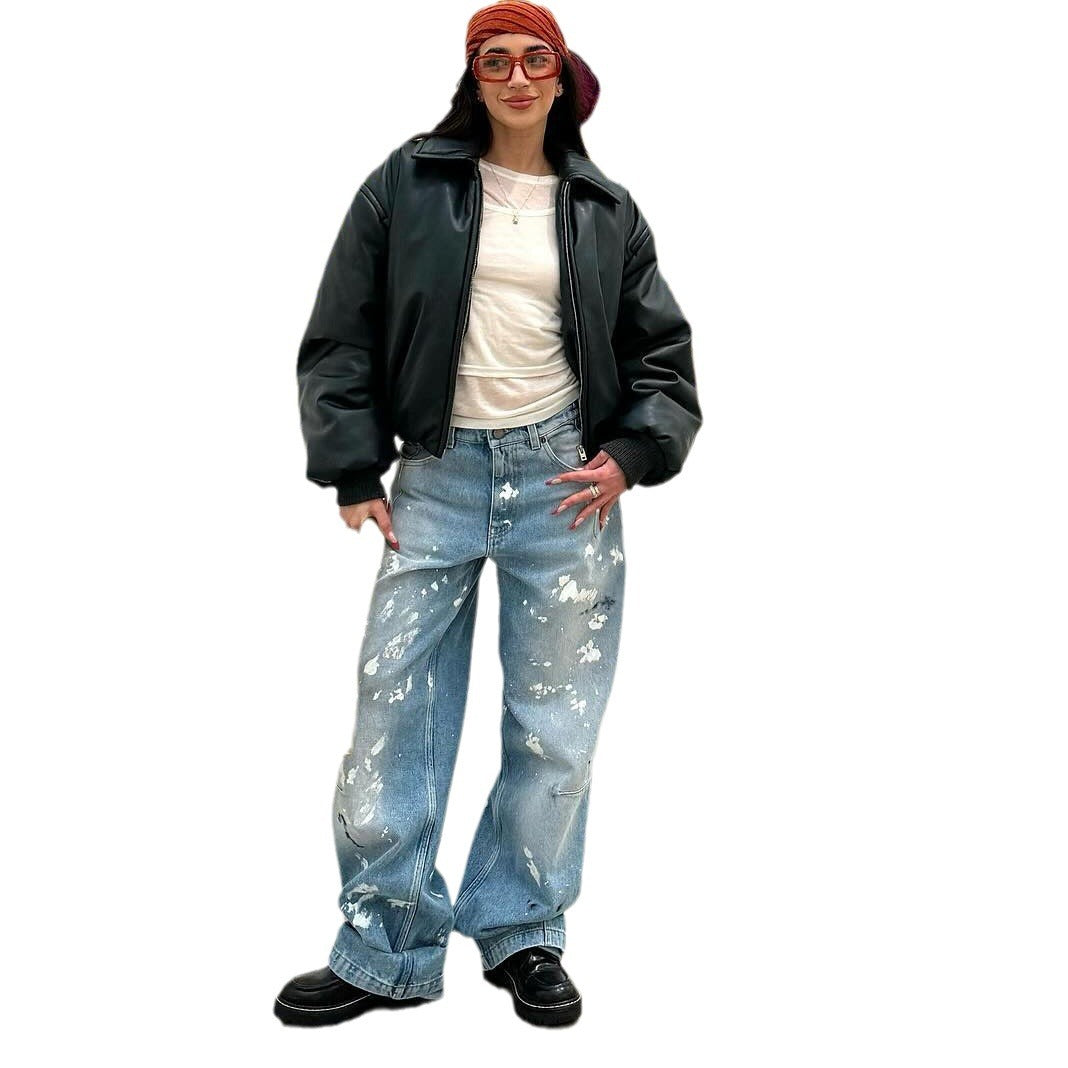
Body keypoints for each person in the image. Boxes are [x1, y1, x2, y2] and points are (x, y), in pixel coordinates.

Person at [275, 0, 702, 1029]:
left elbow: (662, 353)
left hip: (564, 481)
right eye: (495, 60)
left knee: (555, 724)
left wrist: (631, 456)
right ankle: (385, 946)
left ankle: (522, 932)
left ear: (563, 78)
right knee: (395, 711)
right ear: (473, 78)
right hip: (437, 475)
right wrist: (352, 466)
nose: (516, 77)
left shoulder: (605, 208)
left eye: (534, 60)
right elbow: (341, 330)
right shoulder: (407, 182)